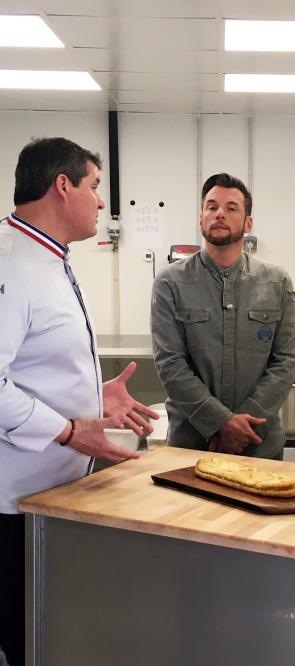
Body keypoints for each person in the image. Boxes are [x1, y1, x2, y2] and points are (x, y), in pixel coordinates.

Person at [0, 137, 158, 666]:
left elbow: (35, 363)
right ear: (62, 186)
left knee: (53, 630)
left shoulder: (51, 258)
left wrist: (97, 396)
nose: (101, 203)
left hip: (54, 493)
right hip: (14, 502)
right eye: (95, 187)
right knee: (26, 636)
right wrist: (69, 430)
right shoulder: (9, 262)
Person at [151, 172, 295, 460]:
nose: (220, 213)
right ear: (200, 218)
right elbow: (170, 363)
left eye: (231, 208)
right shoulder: (170, 282)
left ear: (248, 222)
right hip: (192, 445)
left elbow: (286, 361)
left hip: (258, 444)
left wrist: (241, 426)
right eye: (211, 206)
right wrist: (220, 423)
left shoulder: (276, 282)